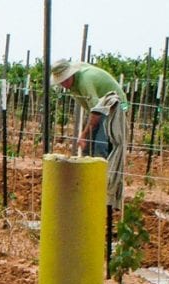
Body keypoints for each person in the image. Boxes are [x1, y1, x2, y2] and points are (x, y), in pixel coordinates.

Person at [51, 58, 129, 207]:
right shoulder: (73, 85)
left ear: (70, 75)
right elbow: (92, 111)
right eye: (59, 81)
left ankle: (103, 193)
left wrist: (84, 134)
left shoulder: (85, 81)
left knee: (100, 147)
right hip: (101, 108)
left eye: (63, 80)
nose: (62, 84)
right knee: (88, 149)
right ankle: (88, 188)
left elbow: (97, 112)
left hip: (115, 108)